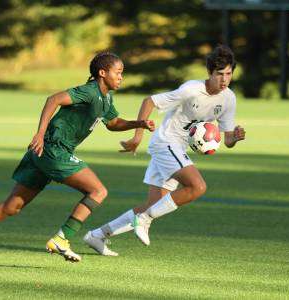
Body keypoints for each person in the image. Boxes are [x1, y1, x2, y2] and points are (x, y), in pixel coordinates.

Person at [0, 51, 155, 264]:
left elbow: (112, 123)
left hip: (43, 153)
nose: (121, 77)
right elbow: (54, 99)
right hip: (54, 149)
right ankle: (62, 239)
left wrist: (138, 124)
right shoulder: (89, 91)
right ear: (102, 73)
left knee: (12, 206)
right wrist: (39, 133)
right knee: (98, 191)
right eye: (118, 72)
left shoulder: (106, 97)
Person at [83, 45, 246, 256]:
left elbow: (228, 139)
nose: (224, 80)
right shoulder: (191, 90)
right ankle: (144, 219)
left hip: (178, 148)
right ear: (210, 73)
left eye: (228, 74)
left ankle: (97, 235)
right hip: (166, 143)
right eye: (219, 74)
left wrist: (236, 137)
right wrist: (137, 136)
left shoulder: (228, 98)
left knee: (154, 205)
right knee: (197, 187)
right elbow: (149, 101)